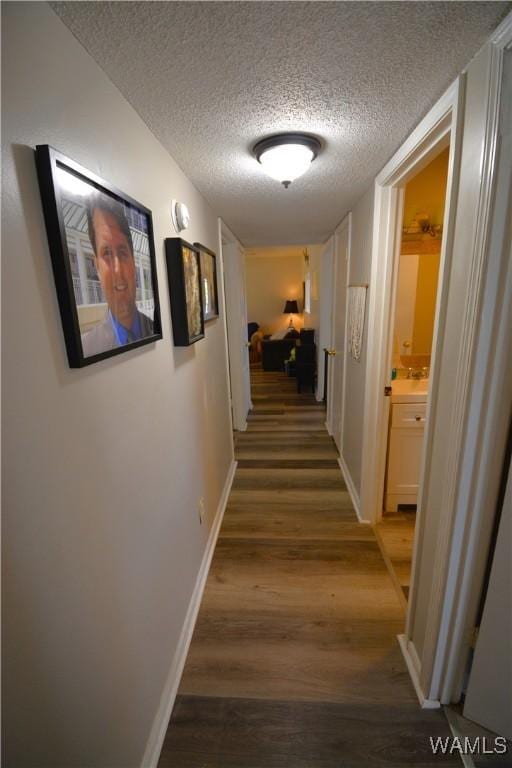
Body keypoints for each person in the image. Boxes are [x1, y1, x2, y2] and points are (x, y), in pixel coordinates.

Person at [80, 194, 153, 356]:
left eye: (122, 252)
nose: (118, 270)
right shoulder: (88, 349)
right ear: (97, 266)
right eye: (106, 253)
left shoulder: (154, 329)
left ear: (133, 261)